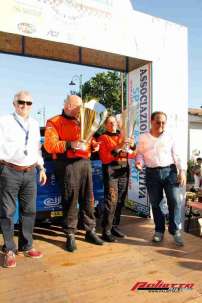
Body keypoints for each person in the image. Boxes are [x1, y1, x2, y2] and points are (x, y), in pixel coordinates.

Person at [44, 95, 103, 252]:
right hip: (67, 165)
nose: (81, 111)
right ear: (68, 106)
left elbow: (87, 141)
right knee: (70, 200)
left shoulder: (82, 120)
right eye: (78, 107)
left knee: (89, 199)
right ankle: (70, 234)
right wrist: (71, 144)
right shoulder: (54, 121)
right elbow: (49, 146)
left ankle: (90, 231)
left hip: (85, 163)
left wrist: (94, 146)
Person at [0, 91, 47, 268]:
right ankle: (9, 249)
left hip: (30, 172)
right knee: (7, 212)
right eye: (21, 102)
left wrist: (41, 167)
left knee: (29, 211)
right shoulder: (4, 121)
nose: (25, 106)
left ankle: (26, 246)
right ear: (14, 103)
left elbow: (37, 148)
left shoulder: (34, 124)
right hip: (9, 171)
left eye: (28, 103)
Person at [136, 111, 186, 246]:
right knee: (156, 203)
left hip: (170, 172)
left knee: (175, 201)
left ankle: (175, 230)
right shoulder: (143, 138)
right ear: (151, 121)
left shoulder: (170, 137)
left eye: (163, 122)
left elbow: (178, 155)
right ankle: (159, 230)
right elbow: (139, 153)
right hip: (151, 173)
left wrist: (182, 171)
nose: (161, 125)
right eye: (158, 122)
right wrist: (139, 162)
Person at [98, 116, 136, 242]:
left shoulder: (123, 135)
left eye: (114, 122)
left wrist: (133, 145)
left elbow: (133, 154)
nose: (112, 124)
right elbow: (105, 158)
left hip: (124, 169)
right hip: (111, 170)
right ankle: (106, 230)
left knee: (120, 200)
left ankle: (114, 226)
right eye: (109, 123)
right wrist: (119, 146)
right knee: (111, 200)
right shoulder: (103, 138)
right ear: (105, 125)